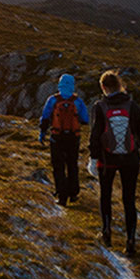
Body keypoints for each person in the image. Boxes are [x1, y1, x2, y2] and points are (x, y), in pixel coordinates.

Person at [89, 70, 140, 256]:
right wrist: (135, 148)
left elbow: (95, 134)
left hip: (107, 161)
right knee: (129, 200)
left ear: (104, 87)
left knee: (106, 196)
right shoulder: (132, 105)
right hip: (130, 160)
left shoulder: (100, 106)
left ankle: (106, 232)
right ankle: (130, 241)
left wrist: (93, 158)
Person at [38, 74, 89, 206]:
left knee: (58, 166)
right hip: (73, 138)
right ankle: (73, 193)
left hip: (57, 137)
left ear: (60, 84)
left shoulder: (53, 100)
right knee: (72, 165)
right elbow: (85, 119)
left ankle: (61, 195)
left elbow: (45, 118)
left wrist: (42, 134)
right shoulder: (78, 101)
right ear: (72, 85)